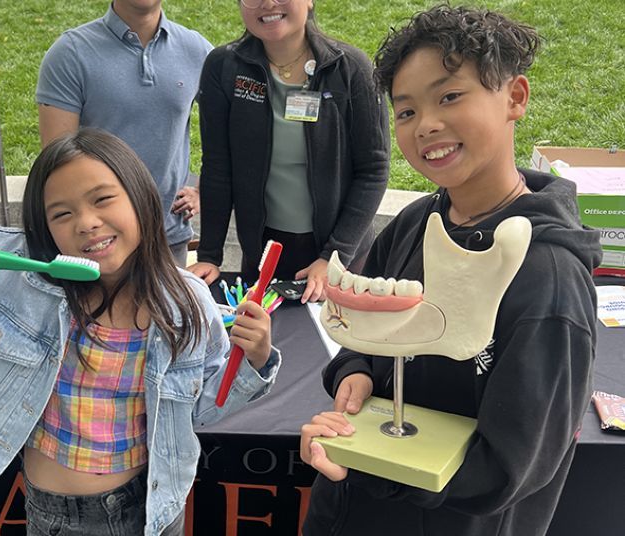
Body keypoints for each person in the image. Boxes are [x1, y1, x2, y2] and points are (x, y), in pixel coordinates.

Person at [0, 128, 280, 536]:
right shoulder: (3, 268)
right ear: (44, 226)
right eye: (62, 214)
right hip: (61, 517)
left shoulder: (187, 302)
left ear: (140, 198)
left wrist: (255, 359)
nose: (87, 223)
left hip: (157, 508)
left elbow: (199, 410)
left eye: (103, 199)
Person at [300, 5, 601, 535]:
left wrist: (372, 469)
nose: (426, 125)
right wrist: (355, 372)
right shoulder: (418, 220)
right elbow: (367, 335)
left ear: (515, 98)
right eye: (406, 111)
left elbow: (510, 467)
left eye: (450, 97)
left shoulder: (548, 278)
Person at [188, 0, 390, 303]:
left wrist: (333, 257)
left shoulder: (349, 68)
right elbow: (218, 167)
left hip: (342, 258)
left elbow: (373, 169)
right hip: (265, 253)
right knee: (268, 343)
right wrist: (209, 255)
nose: (268, 4)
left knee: (338, 345)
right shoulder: (224, 67)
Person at [37, 0, 212, 267]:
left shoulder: (195, 49)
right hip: (100, 241)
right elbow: (56, 163)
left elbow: (230, 130)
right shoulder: (70, 53)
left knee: (168, 310)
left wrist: (203, 189)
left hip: (168, 235)